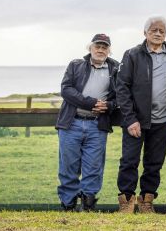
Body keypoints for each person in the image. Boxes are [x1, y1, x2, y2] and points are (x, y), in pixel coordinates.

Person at [115, 16, 166, 214]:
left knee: (154, 163)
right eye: (154, 30)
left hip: (163, 120)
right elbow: (122, 88)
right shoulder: (132, 54)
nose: (158, 33)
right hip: (136, 121)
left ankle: (146, 201)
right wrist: (130, 119)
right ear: (145, 33)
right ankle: (126, 202)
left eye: (162, 30)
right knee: (129, 161)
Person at [55, 33, 118, 211]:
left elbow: (122, 96)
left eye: (104, 47)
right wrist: (91, 103)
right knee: (68, 166)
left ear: (109, 50)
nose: (100, 49)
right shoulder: (76, 65)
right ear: (90, 48)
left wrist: (109, 106)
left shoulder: (116, 69)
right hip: (72, 123)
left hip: (97, 125)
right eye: (97, 46)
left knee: (94, 167)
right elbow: (66, 89)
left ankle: (88, 206)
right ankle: (68, 205)